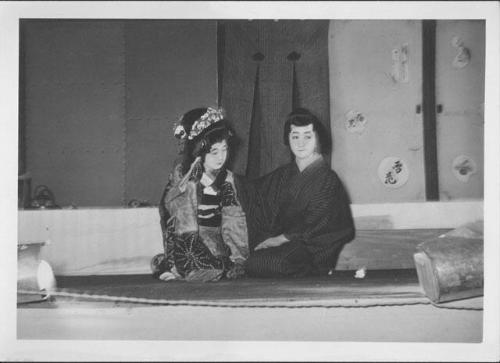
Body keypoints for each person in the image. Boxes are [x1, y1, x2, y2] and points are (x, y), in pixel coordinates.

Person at [236, 108, 355, 277]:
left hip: (312, 248)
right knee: (251, 260)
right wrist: (229, 179)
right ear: (288, 138)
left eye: (307, 136)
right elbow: (256, 193)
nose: (300, 143)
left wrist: (280, 239)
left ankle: (312, 276)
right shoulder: (284, 174)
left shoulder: (328, 179)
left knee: (265, 263)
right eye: (295, 136)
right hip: (285, 244)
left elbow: (320, 225)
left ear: (318, 139)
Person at [151, 107, 249, 282]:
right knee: (198, 264)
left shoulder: (227, 180)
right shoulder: (185, 179)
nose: (221, 157)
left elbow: (233, 218)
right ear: (199, 152)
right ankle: (173, 264)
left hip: (213, 238)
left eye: (224, 149)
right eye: (214, 152)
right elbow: (178, 221)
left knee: (222, 265)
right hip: (185, 238)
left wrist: (238, 257)